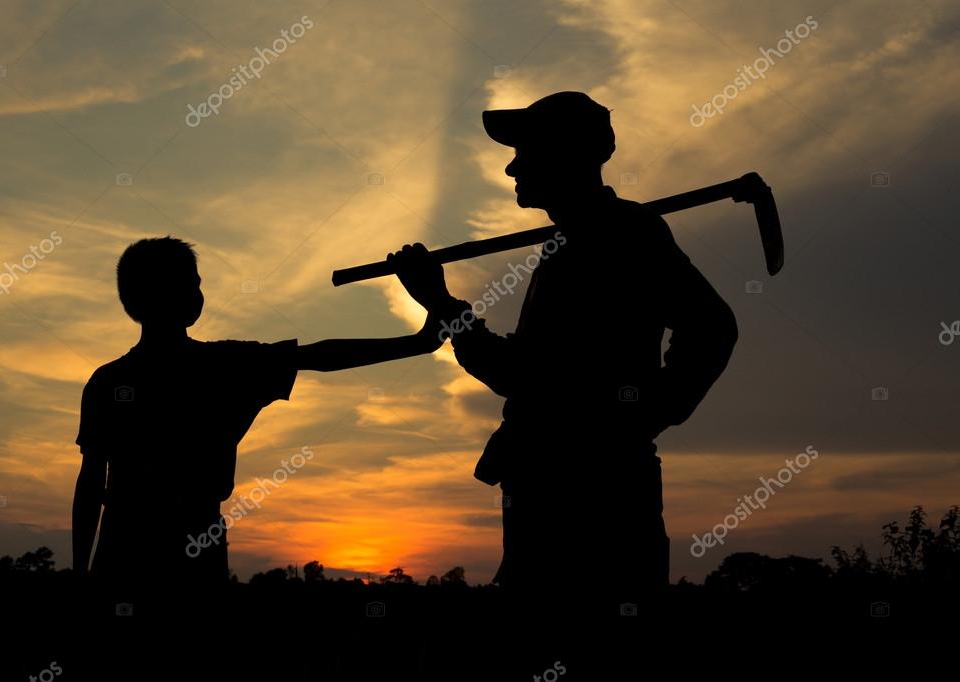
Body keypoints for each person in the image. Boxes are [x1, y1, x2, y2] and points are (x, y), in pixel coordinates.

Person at [389, 91, 738, 651]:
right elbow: (528, 374)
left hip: (594, 499)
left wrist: (643, 412)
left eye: (524, 150)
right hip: (549, 492)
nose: (511, 165)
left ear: (563, 156)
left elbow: (712, 328)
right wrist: (443, 303)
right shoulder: (570, 246)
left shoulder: (625, 234)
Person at [72, 236, 443, 614]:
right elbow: (320, 356)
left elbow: (90, 486)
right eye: (193, 283)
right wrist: (419, 342)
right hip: (191, 551)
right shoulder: (223, 366)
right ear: (170, 293)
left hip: (125, 551)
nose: (200, 292)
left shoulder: (108, 381)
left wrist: (79, 573)